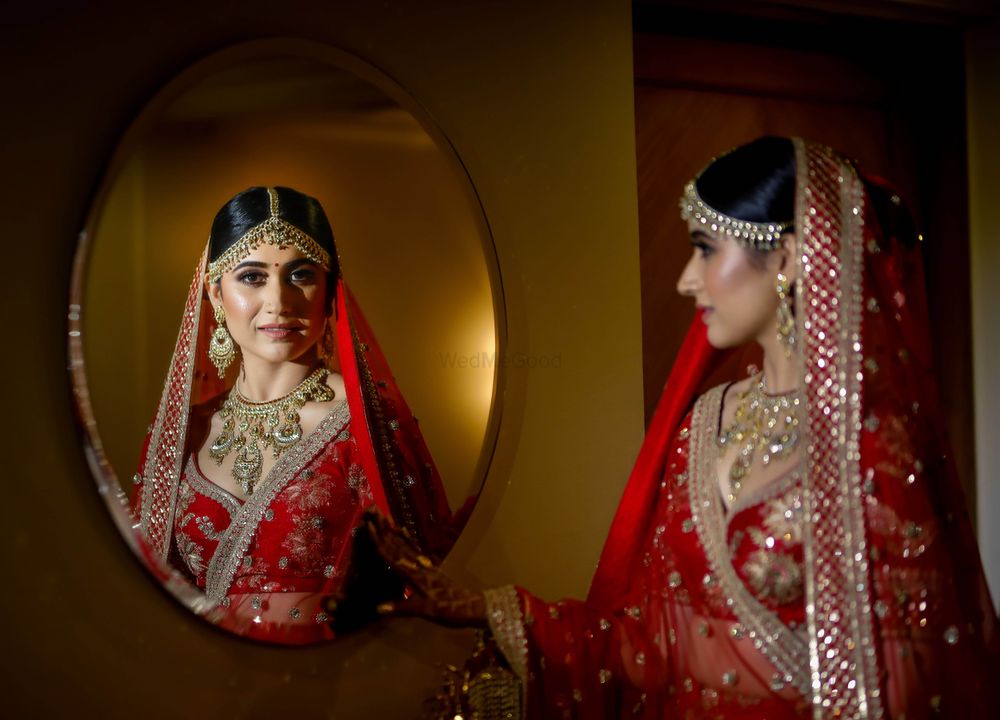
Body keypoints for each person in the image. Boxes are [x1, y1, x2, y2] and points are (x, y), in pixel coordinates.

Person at [345, 138, 999, 717]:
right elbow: (649, 646)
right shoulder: (704, 424)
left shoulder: (871, 449)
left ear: (791, 258)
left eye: (706, 250)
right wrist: (483, 608)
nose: (688, 280)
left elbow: (915, 685)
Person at [130, 186, 453, 644]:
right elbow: (145, 588)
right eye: (252, 277)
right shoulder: (183, 432)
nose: (279, 302)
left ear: (329, 291)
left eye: (301, 274)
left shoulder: (367, 422)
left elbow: (422, 586)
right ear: (215, 294)